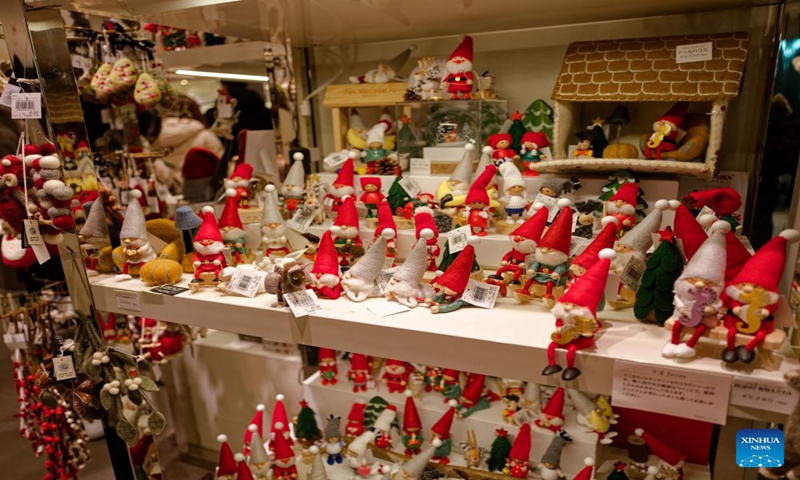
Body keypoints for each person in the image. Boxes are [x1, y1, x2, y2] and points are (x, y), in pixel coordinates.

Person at [150, 95, 224, 191]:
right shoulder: (206, 136)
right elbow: (221, 168)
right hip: (201, 192)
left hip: (162, 191)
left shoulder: (150, 137)